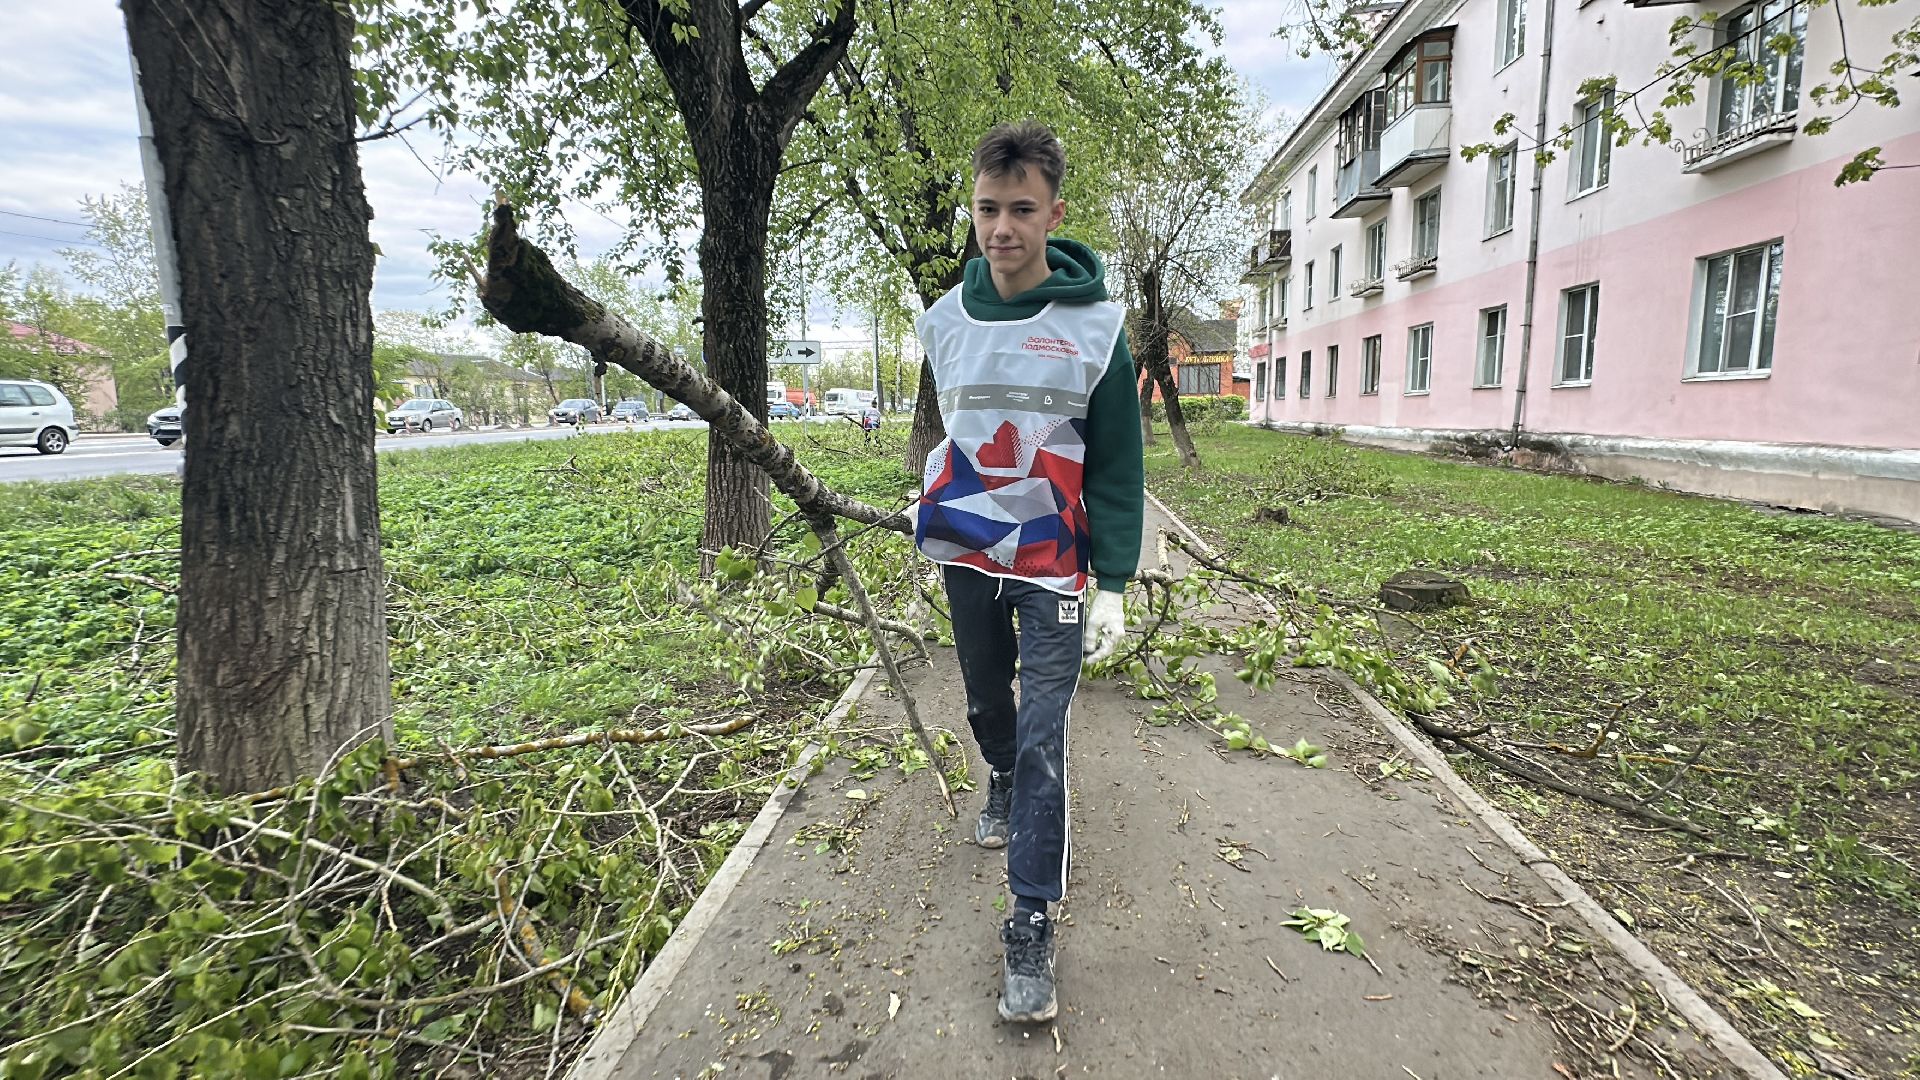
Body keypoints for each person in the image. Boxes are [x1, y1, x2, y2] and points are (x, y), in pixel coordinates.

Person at [911, 120, 1143, 1024]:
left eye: (1020, 210)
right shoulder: (940, 318)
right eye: (986, 209)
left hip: (1054, 568)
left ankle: (1031, 918)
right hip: (967, 554)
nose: (1000, 229)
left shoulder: (1097, 326)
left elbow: (1119, 465)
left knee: (1046, 733)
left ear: (1053, 212)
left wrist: (1115, 580)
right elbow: (954, 429)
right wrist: (929, 493)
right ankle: (996, 771)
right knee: (986, 703)